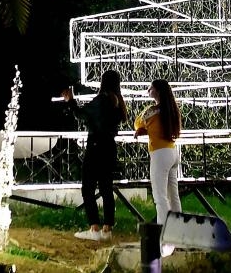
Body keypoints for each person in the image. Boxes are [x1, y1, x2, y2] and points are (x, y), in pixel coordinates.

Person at [61, 69, 128, 242]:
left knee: (88, 187)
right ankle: (107, 228)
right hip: (109, 147)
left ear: (103, 82)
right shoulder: (117, 102)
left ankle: (94, 227)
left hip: (96, 146)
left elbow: (82, 115)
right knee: (106, 187)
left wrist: (71, 101)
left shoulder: (101, 100)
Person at [134, 79, 183, 239]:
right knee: (173, 196)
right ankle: (179, 233)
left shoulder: (152, 111)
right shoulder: (171, 109)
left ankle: (165, 236)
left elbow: (138, 122)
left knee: (160, 197)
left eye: (151, 88)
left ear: (158, 91)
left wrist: (142, 129)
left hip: (160, 154)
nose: (148, 90)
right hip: (172, 152)